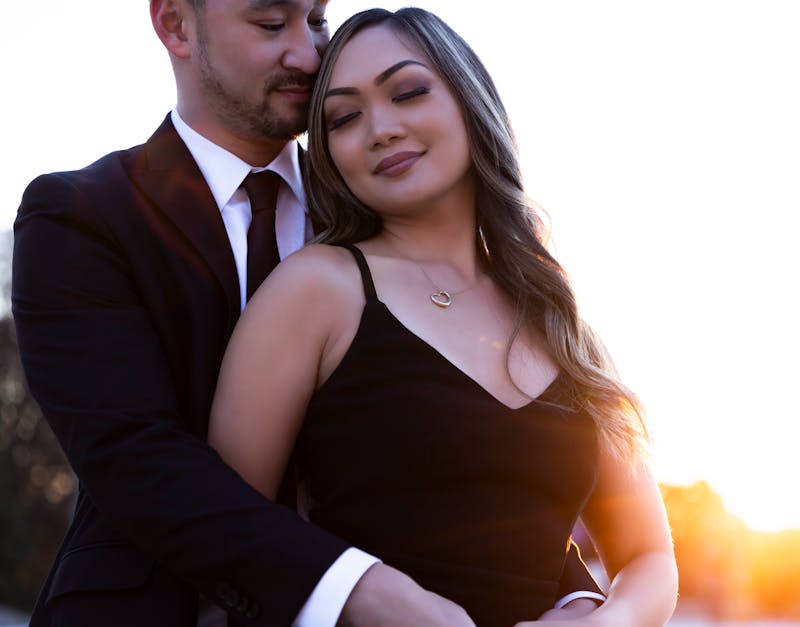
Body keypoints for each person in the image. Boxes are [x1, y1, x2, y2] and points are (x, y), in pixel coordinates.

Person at [11, 1, 600, 625]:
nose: (308, 52)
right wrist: (361, 590)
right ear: (176, 25)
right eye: (272, 24)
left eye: (317, 19)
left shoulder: (390, 197)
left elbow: (467, 437)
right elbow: (135, 458)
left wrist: (571, 596)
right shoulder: (79, 217)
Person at [208, 7, 678, 627]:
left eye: (407, 92)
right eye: (345, 117)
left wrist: (603, 621)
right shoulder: (315, 289)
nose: (380, 129)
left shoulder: (560, 321)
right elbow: (220, 532)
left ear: (467, 97)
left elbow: (649, 556)